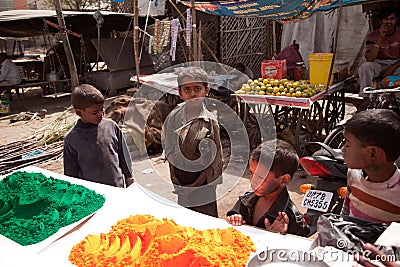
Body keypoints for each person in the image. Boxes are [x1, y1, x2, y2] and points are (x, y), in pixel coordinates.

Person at [162, 66, 223, 217]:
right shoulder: (174, 117)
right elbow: (169, 147)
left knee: (205, 222)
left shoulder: (210, 122)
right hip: (181, 180)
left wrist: (194, 186)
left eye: (197, 88)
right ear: (180, 93)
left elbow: (214, 161)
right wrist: (175, 179)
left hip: (203, 183)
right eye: (187, 90)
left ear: (206, 90)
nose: (192, 94)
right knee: (185, 222)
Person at [226, 139, 310, 237]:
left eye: (261, 177)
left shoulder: (291, 218)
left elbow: (300, 247)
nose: (252, 181)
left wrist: (280, 237)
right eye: (251, 173)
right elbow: (234, 213)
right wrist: (235, 218)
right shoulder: (248, 198)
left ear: (284, 180)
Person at [63, 84, 133, 188]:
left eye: (102, 109)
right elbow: (71, 175)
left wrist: (129, 178)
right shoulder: (72, 138)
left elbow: (124, 156)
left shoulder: (111, 126)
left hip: (117, 189)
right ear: (79, 112)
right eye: (95, 112)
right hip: (93, 194)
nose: (101, 114)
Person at [341, 109, 400, 223]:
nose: (342, 149)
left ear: (373, 154)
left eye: (347, 144)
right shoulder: (353, 175)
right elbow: (346, 213)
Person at [358, 11, 400, 96]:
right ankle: (366, 97)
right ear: (381, 21)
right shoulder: (372, 36)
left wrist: (391, 69)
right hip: (379, 63)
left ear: (396, 20)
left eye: (392, 19)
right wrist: (380, 38)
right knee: (365, 67)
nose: (389, 22)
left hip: (396, 64)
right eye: (386, 19)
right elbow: (370, 59)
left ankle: (397, 98)